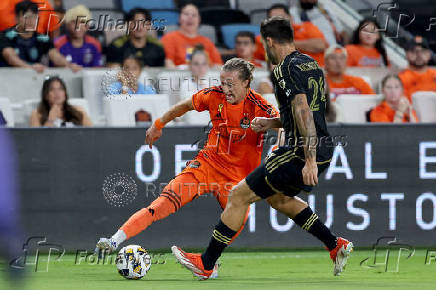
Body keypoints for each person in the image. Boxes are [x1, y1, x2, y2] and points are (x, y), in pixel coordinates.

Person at [172, 17, 353, 280]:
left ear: (269, 41)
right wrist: (271, 122)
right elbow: (309, 111)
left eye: (263, 43)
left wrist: (309, 159)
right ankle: (335, 244)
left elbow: (303, 112)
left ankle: (206, 263)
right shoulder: (311, 64)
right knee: (278, 198)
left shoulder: (283, 68)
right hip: (322, 145)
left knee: (237, 196)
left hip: (300, 150)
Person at [95, 58, 279, 278]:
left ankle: (209, 263)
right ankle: (113, 240)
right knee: (163, 202)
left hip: (238, 181)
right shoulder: (213, 95)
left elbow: (282, 123)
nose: (226, 89)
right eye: (223, 83)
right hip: (208, 164)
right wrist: (158, 124)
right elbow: (184, 106)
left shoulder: (260, 106)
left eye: (231, 84)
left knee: (236, 223)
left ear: (247, 82)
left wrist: (277, 148)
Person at [0, 0, 82, 73]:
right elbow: (10, 58)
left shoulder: (42, 39)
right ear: (16, 18)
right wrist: (30, 68)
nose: (30, 21)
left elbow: (55, 56)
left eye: (33, 17)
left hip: (33, 81)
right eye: (26, 17)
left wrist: (69, 65)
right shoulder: (5, 36)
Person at [254, 4, 328, 66]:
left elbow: (321, 45)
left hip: (316, 73)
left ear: (291, 18)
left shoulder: (307, 27)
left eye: (281, 17)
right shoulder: (261, 39)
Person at [161, 3, 223, 68]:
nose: (190, 17)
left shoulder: (207, 42)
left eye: (194, 15)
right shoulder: (169, 38)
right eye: (186, 14)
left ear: (199, 20)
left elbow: (219, 66)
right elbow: (168, 64)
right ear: (179, 18)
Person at [399, 36, 436, 102]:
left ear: (429, 54)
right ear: (406, 54)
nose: (419, 55)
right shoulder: (400, 79)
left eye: (423, 51)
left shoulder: (435, 74)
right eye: (414, 51)